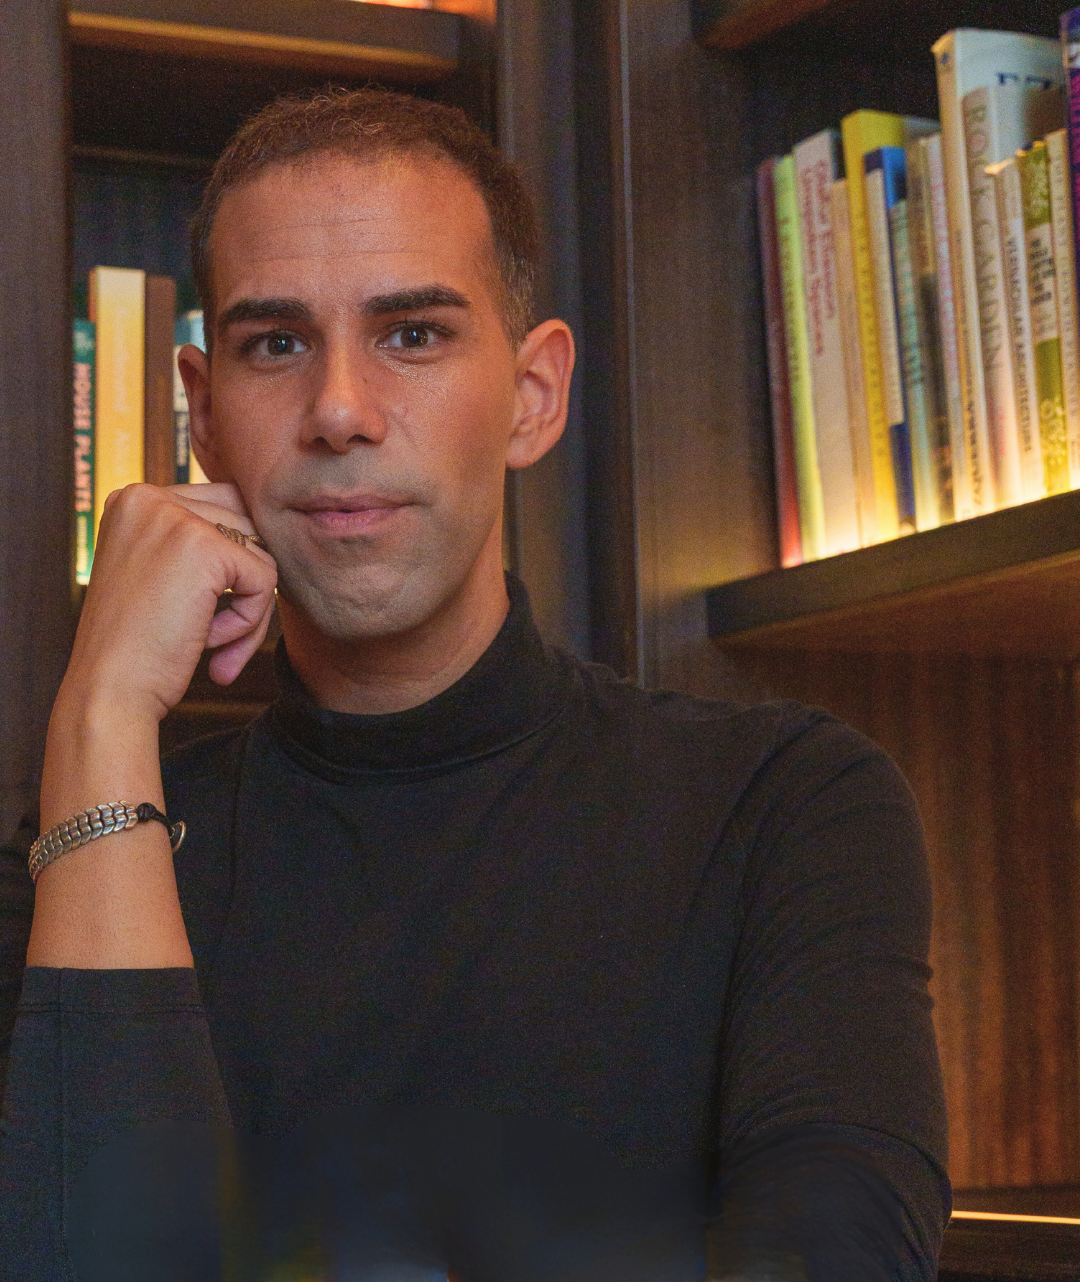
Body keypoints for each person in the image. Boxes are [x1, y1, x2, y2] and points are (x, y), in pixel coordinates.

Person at [0, 88, 949, 1281]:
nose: (340, 410)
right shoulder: (91, 851)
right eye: (276, 344)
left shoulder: (786, 806)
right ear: (202, 411)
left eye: (413, 334)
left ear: (534, 396)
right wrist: (100, 712)